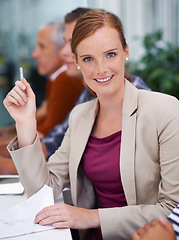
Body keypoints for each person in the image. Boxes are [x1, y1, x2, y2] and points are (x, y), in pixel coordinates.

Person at [4, 9, 179, 240]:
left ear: (126, 52)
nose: (101, 69)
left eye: (110, 54)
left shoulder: (165, 110)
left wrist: (91, 216)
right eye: (88, 59)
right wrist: (26, 123)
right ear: (76, 61)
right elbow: (43, 190)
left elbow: (172, 209)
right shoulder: (80, 116)